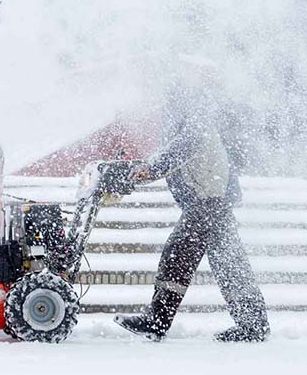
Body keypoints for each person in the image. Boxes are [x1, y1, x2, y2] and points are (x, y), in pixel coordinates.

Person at [113, 70, 270, 342]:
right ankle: (253, 324)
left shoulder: (195, 122)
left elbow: (180, 150)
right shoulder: (189, 122)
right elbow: (173, 153)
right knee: (228, 263)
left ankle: (157, 320)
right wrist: (143, 170)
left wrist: (149, 170)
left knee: (177, 256)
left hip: (208, 202)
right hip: (213, 202)